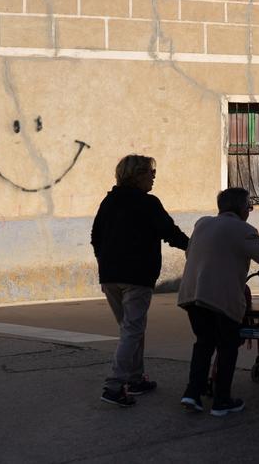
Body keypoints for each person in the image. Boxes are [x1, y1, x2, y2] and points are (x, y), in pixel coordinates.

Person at [176, 187, 259, 416]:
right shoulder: (243, 230)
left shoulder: (202, 224)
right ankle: (222, 401)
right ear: (241, 208)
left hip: (192, 295)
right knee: (227, 346)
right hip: (220, 298)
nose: (250, 210)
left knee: (204, 343)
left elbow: (191, 254)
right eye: (249, 206)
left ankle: (192, 393)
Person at [90, 154, 190, 407]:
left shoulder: (109, 201)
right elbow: (169, 232)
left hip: (110, 276)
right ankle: (114, 386)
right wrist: (193, 247)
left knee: (131, 329)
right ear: (136, 175)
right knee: (132, 330)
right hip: (137, 276)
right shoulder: (148, 203)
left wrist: (105, 263)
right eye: (150, 172)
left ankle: (135, 379)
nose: (154, 177)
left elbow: (95, 237)